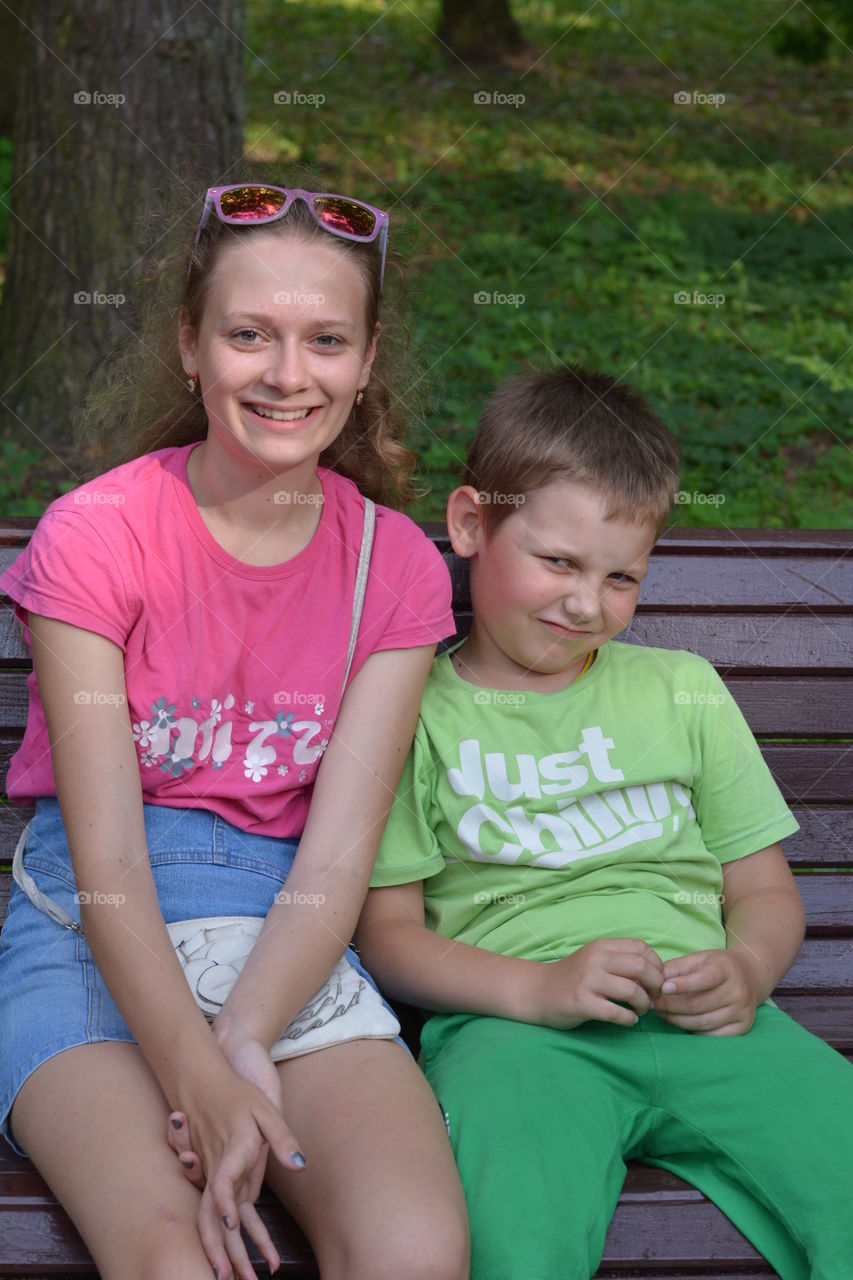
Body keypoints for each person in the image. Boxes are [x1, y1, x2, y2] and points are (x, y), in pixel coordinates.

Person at [0, 180, 468, 1280]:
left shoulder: (389, 565)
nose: (287, 373)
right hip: (91, 929)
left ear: (365, 362)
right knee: (175, 1259)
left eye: (325, 340)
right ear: (190, 346)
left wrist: (247, 1035)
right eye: (249, 334)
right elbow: (109, 861)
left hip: (287, 932)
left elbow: (339, 856)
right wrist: (201, 1082)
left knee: (413, 1245)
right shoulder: (100, 536)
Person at [355, 364, 853, 1280]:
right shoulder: (407, 707)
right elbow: (386, 936)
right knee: (512, 1235)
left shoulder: (680, 691)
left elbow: (761, 890)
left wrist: (745, 968)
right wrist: (535, 991)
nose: (587, 604)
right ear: (470, 524)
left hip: (711, 1025)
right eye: (557, 562)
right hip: (514, 1037)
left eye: (620, 577)